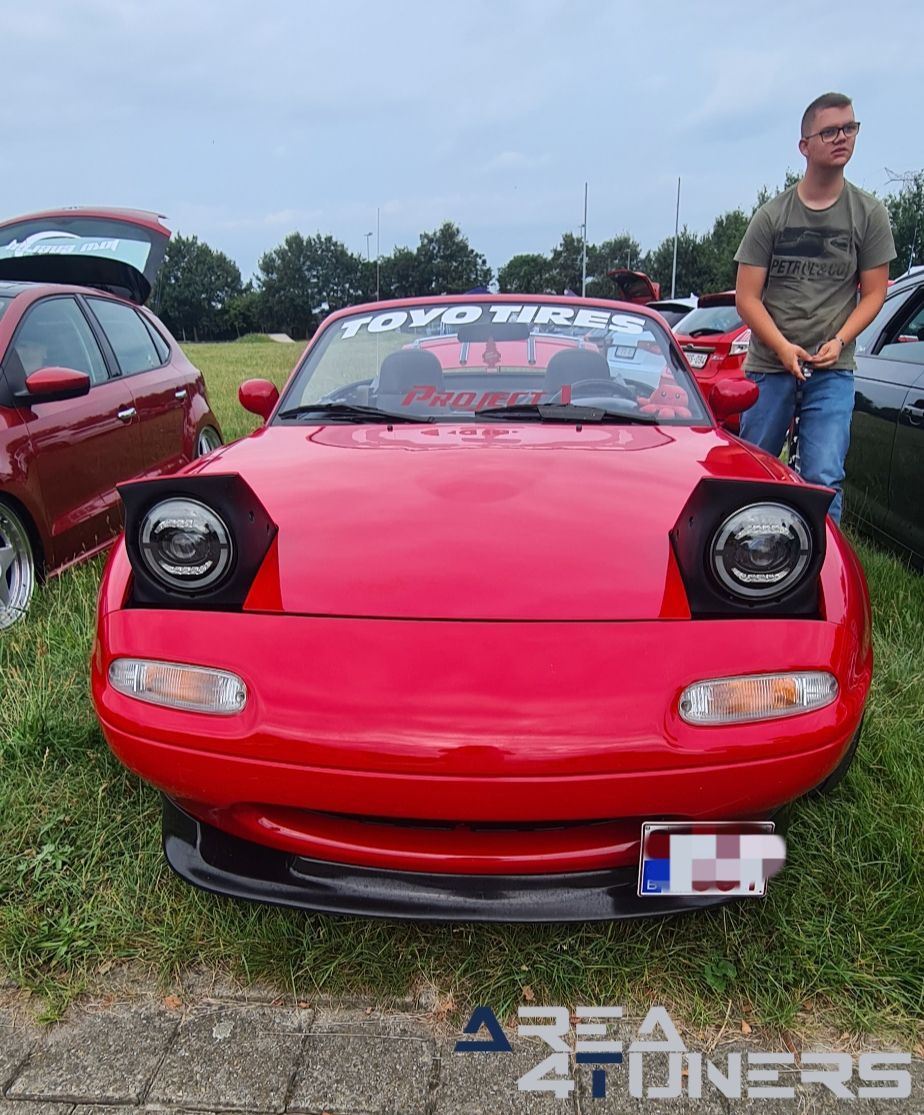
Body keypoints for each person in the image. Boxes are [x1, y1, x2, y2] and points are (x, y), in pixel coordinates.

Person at [734, 92, 896, 524]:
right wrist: (782, 347)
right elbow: (746, 297)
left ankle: (822, 561)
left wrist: (840, 340)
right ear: (804, 146)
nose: (841, 137)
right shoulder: (772, 216)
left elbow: (874, 293)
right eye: (829, 132)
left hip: (831, 368)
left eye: (849, 128)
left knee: (824, 476)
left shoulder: (869, 214)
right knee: (755, 470)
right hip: (771, 365)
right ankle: (748, 552)